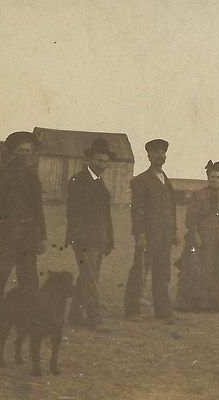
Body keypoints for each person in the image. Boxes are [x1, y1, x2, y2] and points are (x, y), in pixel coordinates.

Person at [0, 131, 47, 335]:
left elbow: (38, 209)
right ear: (12, 152)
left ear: (33, 153)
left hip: (28, 237)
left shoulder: (33, 175)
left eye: (28, 150)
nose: (25, 154)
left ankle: (26, 323)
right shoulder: (1, 175)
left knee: (29, 281)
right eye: (20, 150)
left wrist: (42, 236)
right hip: (7, 237)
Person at [124, 138, 180, 322]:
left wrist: (174, 232)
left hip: (165, 236)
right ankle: (132, 311)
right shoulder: (141, 180)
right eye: (156, 152)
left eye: (163, 152)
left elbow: (171, 209)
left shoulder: (166, 180)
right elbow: (137, 211)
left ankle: (163, 311)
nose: (160, 155)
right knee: (139, 271)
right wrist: (140, 235)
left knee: (163, 273)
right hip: (147, 236)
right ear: (149, 156)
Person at [65, 138, 116, 329]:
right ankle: (95, 320)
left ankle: (75, 316)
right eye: (98, 160)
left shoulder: (101, 185)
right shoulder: (78, 181)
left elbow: (106, 215)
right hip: (84, 240)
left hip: (99, 240)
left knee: (87, 277)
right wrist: (79, 239)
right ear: (89, 159)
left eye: (105, 162)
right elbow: (74, 213)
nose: (102, 165)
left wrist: (109, 239)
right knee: (91, 279)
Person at [174, 160, 219, 312]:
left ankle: (214, 303)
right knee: (197, 266)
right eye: (212, 177)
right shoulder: (199, 194)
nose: (215, 180)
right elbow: (191, 217)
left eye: (218, 177)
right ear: (208, 178)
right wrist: (195, 234)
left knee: (216, 267)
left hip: (218, 236)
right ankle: (195, 302)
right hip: (201, 235)